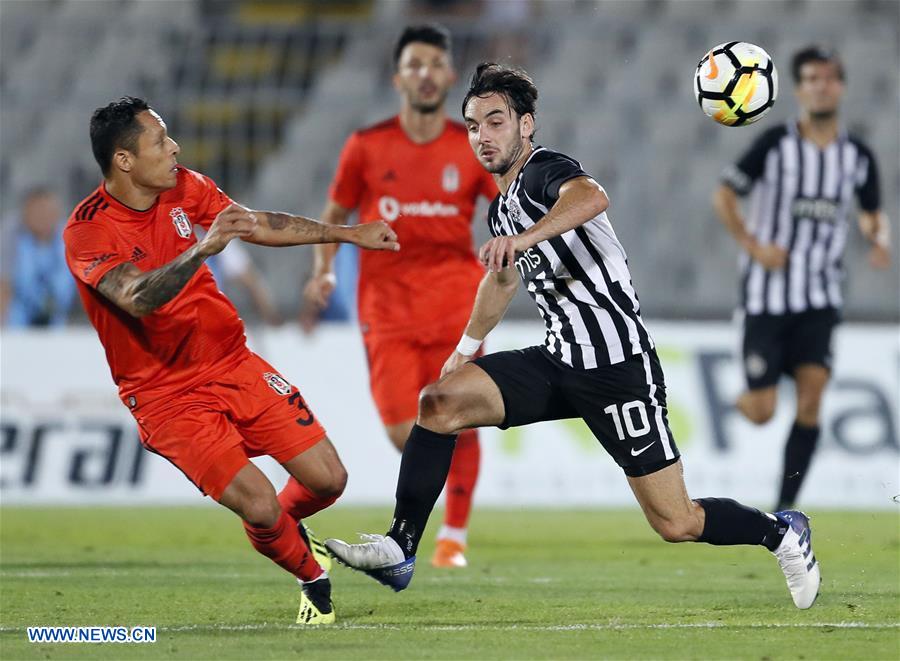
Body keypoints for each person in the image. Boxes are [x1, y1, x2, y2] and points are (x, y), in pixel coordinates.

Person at [325, 63, 822, 610]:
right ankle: (401, 546)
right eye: (471, 126)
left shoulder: (544, 169)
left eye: (495, 122)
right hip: (559, 359)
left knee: (677, 522)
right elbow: (503, 279)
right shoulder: (501, 208)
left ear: (526, 124)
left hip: (616, 366)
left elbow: (592, 197)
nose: (482, 136)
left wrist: (528, 235)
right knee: (439, 403)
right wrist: (463, 349)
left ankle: (781, 532)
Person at [63, 97, 398, 625]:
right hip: (164, 395)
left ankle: (282, 533)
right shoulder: (87, 231)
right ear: (124, 160)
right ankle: (312, 577)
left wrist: (347, 234)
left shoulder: (182, 185)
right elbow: (135, 298)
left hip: (230, 361)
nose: (173, 147)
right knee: (260, 504)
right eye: (159, 140)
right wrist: (199, 250)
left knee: (328, 479)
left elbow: (256, 223)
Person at [303, 24, 497, 569]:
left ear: (451, 76)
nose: (426, 74)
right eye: (415, 64)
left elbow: (508, 198)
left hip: (456, 301)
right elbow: (335, 215)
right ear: (398, 77)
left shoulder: (469, 146)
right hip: (385, 307)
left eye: (435, 64)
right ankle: (435, 514)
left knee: (460, 409)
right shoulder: (367, 145)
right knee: (400, 428)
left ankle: (452, 535)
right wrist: (324, 271)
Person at [712, 45, 891, 511]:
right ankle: (743, 401)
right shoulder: (774, 145)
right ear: (798, 89)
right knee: (763, 412)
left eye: (829, 78)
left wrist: (878, 238)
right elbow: (725, 195)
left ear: (841, 87)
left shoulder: (858, 156)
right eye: (811, 78)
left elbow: (872, 213)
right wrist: (754, 246)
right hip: (765, 299)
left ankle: (785, 509)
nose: (821, 86)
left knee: (811, 402)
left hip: (820, 298)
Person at [1, 187, 76, 327]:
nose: (43, 217)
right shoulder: (10, 236)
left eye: (48, 212)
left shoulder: (71, 236)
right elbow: (3, 283)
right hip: (17, 314)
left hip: (59, 315)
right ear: (25, 213)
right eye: (37, 212)